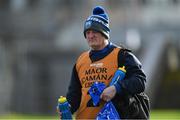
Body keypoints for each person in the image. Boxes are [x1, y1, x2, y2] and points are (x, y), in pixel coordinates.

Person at [57, 6, 149, 119]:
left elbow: (140, 81)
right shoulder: (81, 60)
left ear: (104, 32)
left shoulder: (122, 56)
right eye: (88, 32)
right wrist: (68, 107)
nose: (90, 36)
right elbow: (74, 95)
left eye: (95, 31)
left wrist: (116, 88)